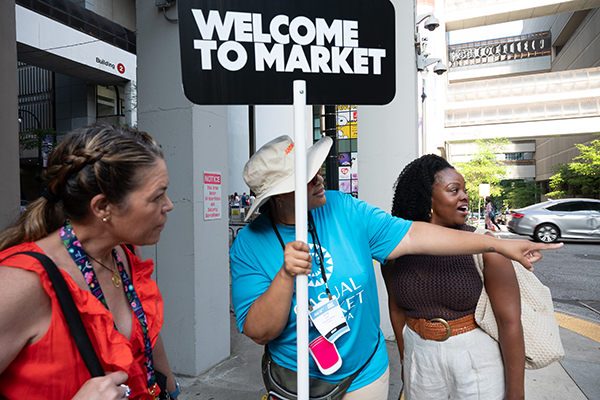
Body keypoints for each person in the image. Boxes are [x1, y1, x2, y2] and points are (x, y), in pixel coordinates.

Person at [229, 135, 560, 399]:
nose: (318, 178)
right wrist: (286, 276)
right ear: (278, 196)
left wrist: (497, 244)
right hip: (297, 378)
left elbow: (415, 235)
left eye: (314, 169)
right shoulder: (249, 244)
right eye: (304, 177)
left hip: (365, 372)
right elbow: (259, 332)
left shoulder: (343, 208)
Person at [0, 124, 180, 400]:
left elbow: (147, 340)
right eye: (157, 196)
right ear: (102, 207)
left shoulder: (125, 252)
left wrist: (173, 392)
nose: (168, 205)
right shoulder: (20, 283)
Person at [383, 154, 524, 399]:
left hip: (476, 359)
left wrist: (516, 392)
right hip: (420, 359)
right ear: (428, 199)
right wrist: (406, 362)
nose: (465, 196)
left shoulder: (488, 247)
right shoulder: (395, 251)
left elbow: (510, 322)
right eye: (453, 190)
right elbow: (396, 311)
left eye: (465, 190)